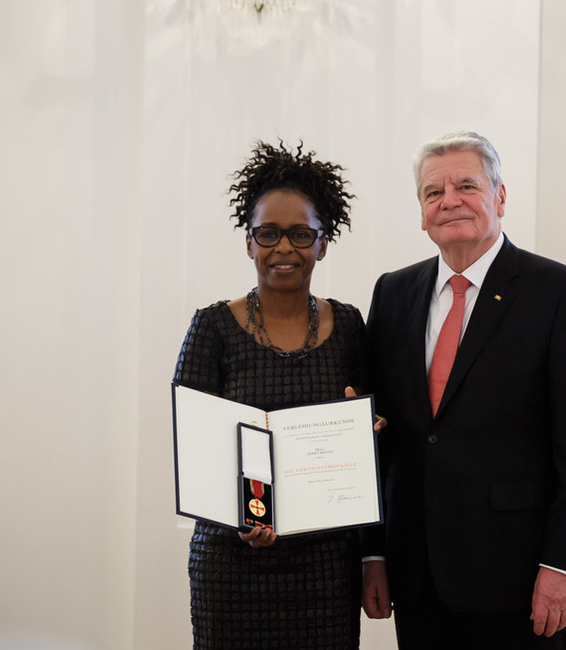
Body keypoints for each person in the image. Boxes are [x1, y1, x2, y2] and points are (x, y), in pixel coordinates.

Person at [360, 131, 566, 649]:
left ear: (499, 196)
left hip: (520, 578)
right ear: (421, 210)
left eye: (466, 185)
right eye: (433, 192)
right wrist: (373, 553)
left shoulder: (561, 294)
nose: (448, 200)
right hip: (417, 574)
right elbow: (375, 433)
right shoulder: (392, 293)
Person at [173, 140, 369, 649]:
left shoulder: (349, 326)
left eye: (301, 234)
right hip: (232, 563)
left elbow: (369, 424)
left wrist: (369, 430)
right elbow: (194, 447)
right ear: (249, 242)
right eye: (269, 234)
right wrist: (241, 517)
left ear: (323, 243)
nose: (285, 248)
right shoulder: (212, 327)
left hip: (326, 567)